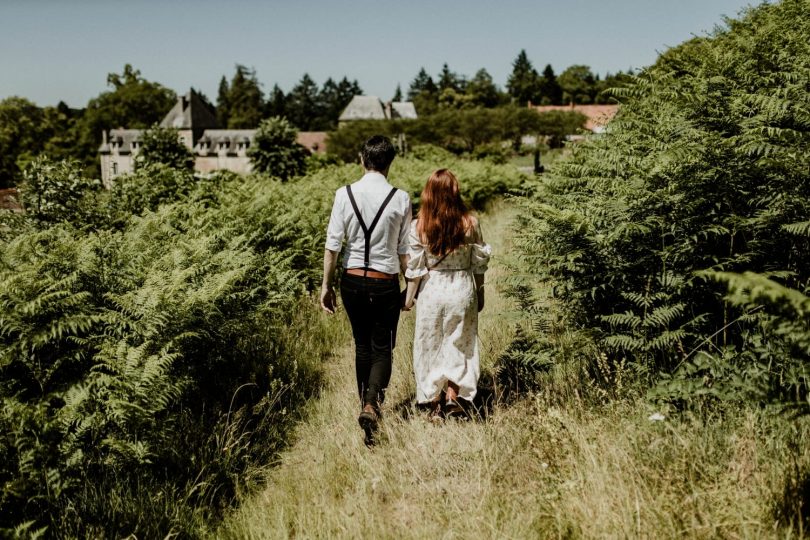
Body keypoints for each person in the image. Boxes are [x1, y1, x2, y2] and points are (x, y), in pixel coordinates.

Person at [321, 135, 412, 445]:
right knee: (382, 347)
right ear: (390, 162)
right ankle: (372, 404)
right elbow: (404, 251)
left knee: (362, 345)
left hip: (352, 280)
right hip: (384, 280)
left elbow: (333, 246)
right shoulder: (400, 198)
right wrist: (411, 286)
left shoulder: (343, 194)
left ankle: (366, 405)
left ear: (362, 160)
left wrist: (326, 286)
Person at [403, 169, 491, 419]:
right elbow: (478, 262)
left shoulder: (419, 226)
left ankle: (433, 404)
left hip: (432, 291)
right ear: (455, 192)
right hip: (462, 288)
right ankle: (454, 394)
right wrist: (480, 293)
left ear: (428, 194)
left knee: (430, 345)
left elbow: (416, 270)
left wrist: (408, 300)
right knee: (460, 343)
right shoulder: (470, 223)